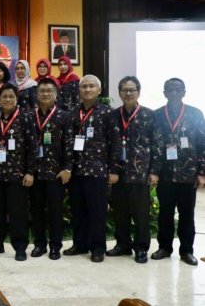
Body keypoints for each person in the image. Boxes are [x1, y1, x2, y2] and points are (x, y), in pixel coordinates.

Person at [64, 75, 120, 263]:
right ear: (79, 90)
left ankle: (98, 247)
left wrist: (113, 170)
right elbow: (67, 143)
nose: (87, 90)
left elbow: (115, 143)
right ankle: (79, 244)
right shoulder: (72, 113)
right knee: (78, 210)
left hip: (97, 171)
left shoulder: (108, 113)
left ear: (99, 90)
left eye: (91, 86)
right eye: (84, 86)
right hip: (76, 171)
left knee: (97, 211)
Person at [106, 76, 161, 264]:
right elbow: (109, 144)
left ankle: (141, 248)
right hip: (118, 173)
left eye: (132, 90)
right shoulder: (112, 116)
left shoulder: (148, 115)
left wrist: (154, 171)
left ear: (138, 92)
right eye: (124, 90)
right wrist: (110, 170)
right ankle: (122, 244)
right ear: (119, 93)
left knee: (141, 214)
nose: (128, 93)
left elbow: (157, 145)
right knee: (120, 212)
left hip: (141, 173)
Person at [151, 78, 205, 266]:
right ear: (164, 93)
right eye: (170, 90)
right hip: (165, 174)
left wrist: (202, 172)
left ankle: (187, 250)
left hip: (187, 174)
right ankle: (164, 247)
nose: (173, 93)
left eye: (177, 90)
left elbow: (202, 144)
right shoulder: (157, 115)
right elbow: (154, 145)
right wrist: (154, 171)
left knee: (186, 215)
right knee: (164, 213)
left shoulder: (195, 114)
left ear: (184, 92)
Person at [0, 83, 37, 261]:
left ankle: (20, 247)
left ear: (16, 99)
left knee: (18, 213)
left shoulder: (26, 118)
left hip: (18, 175)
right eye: (4, 97)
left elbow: (32, 147)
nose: (7, 99)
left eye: (11, 97)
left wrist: (30, 172)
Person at [30, 78, 73, 260]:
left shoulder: (64, 116)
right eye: (42, 91)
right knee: (36, 210)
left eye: (49, 91)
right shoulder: (29, 116)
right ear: (37, 94)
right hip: (35, 173)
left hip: (56, 173)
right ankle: (39, 244)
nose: (45, 94)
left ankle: (55, 245)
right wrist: (27, 171)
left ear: (55, 95)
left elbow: (69, 144)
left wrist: (67, 168)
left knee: (55, 212)